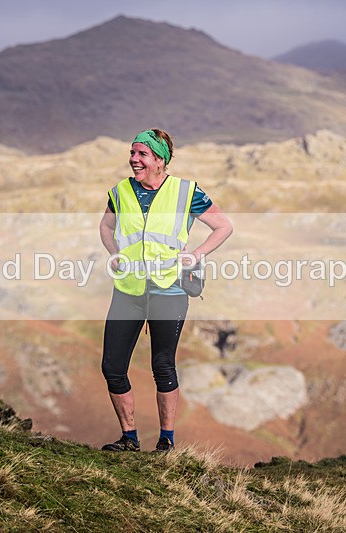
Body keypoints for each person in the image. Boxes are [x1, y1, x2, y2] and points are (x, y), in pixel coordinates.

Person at [98, 128, 233, 452]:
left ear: (161, 160)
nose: (134, 159)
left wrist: (197, 254)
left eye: (142, 154)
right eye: (132, 153)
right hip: (129, 289)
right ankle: (129, 438)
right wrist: (114, 252)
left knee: (162, 365)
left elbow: (223, 225)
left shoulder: (186, 192)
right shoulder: (120, 192)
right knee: (112, 367)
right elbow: (106, 226)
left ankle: (166, 443)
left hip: (169, 289)